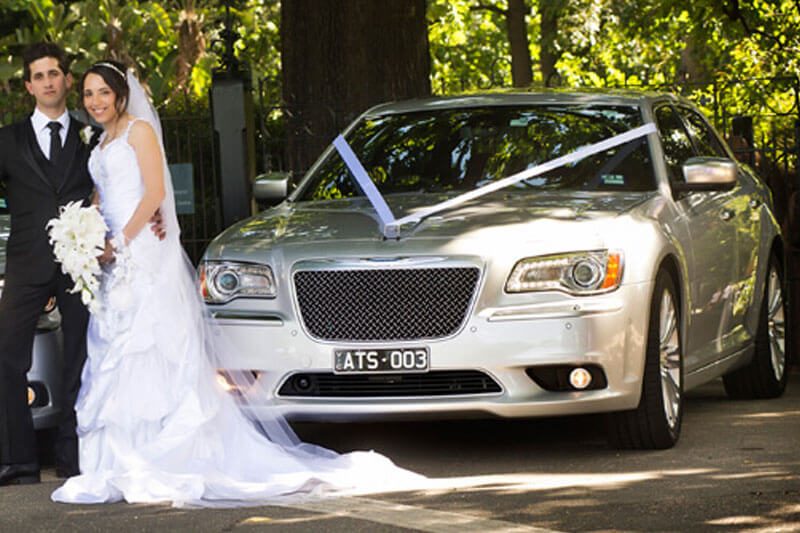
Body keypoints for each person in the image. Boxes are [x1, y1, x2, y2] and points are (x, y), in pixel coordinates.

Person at [51, 61, 423, 506]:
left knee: (152, 347)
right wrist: (88, 233)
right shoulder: (101, 140)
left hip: (141, 252)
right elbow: (101, 194)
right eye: (88, 94)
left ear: (121, 95)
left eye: (103, 93)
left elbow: (154, 194)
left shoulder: (139, 133)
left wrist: (120, 242)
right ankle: (121, 460)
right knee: (115, 354)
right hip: (114, 255)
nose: (95, 102)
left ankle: (165, 458)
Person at [0, 43, 164, 487]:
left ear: (66, 80)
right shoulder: (7, 139)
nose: (48, 82)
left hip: (83, 264)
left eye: (55, 73)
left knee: (80, 359)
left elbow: (118, 189)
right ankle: (17, 460)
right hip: (25, 264)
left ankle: (73, 458)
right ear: (29, 85)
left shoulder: (90, 134)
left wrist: (156, 216)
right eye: (39, 76)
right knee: (7, 358)